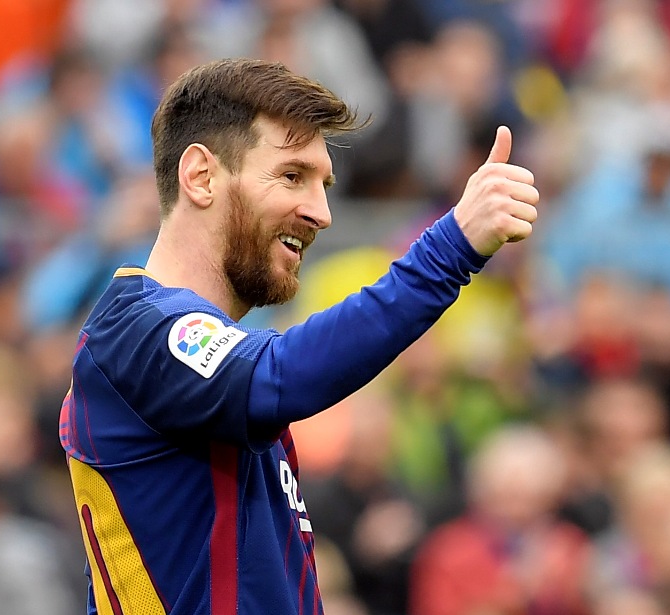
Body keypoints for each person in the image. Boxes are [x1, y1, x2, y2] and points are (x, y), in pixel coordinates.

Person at [59, 57, 539, 615]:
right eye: (292, 176)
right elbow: (280, 376)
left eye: (325, 185)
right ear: (201, 176)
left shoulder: (208, 369)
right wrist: (451, 247)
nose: (321, 212)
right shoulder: (136, 330)